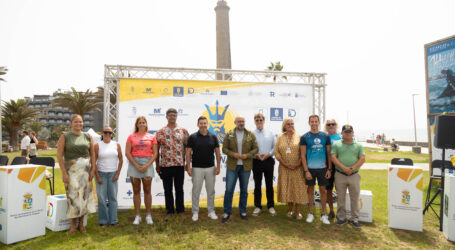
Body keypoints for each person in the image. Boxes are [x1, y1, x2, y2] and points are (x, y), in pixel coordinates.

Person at [56, 114, 96, 233]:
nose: (79, 124)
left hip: (85, 170)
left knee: (84, 196)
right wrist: (64, 172)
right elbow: (59, 155)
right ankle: (73, 224)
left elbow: (92, 154)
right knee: (73, 197)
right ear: (71, 123)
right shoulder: (65, 136)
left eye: (81, 122)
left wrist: (93, 169)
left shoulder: (88, 136)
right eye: (76, 122)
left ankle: (81, 224)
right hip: (71, 170)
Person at [221, 116, 258, 222]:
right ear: (235, 122)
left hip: (245, 166)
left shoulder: (250, 134)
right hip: (232, 166)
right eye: (239, 121)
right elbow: (224, 148)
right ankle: (227, 212)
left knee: (244, 190)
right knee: (229, 190)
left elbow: (256, 148)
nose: (241, 123)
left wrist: (248, 155)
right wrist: (233, 154)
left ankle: (243, 211)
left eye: (243, 121)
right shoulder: (229, 134)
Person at [156, 108, 189, 221]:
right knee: (167, 190)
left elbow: (188, 149)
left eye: (174, 115)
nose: (172, 116)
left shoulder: (183, 131)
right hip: (165, 165)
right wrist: (157, 165)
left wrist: (188, 164)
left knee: (179, 189)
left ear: (176, 116)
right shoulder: (160, 132)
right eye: (170, 115)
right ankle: (169, 211)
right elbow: (157, 150)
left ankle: (180, 211)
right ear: (166, 116)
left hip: (179, 165)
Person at [186, 116, 221, 222]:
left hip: (210, 168)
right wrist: (188, 167)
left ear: (207, 124)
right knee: (196, 191)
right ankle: (195, 212)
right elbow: (188, 153)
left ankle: (211, 211)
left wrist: (218, 166)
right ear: (198, 124)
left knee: (210, 191)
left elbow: (218, 153)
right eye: (201, 123)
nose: (203, 125)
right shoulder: (192, 137)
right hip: (197, 168)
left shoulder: (213, 136)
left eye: (205, 123)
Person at [331, 125, 365, 228]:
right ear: (342, 133)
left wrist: (352, 168)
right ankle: (341, 218)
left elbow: (362, 159)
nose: (348, 133)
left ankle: (354, 219)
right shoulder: (337, 144)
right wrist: (344, 168)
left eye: (350, 132)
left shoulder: (358, 145)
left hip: (354, 175)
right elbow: (333, 157)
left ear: (353, 133)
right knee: (340, 198)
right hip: (340, 174)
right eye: (346, 132)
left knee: (355, 198)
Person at [125, 116, 158, 225]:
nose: (142, 124)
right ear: (137, 124)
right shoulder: (131, 136)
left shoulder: (151, 137)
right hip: (134, 163)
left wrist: (147, 165)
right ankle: (137, 216)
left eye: (144, 122)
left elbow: (155, 153)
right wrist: (137, 165)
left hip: (147, 163)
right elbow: (127, 153)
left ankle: (148, 215)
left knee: (147, 190)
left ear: (146, 124)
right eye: (140, 122)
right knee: (136, 191)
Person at [300, 114, 332, 225]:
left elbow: (329, 154)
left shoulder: (325, 136)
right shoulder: (304, 137)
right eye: (312, 121)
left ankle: (324, 214)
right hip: (310, 169)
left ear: (319, 122)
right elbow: (303, 155)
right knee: (310, 191)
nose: (314, 123)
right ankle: (310, 213)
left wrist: (329, 169)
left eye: (316, 121)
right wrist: (306, 171)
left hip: (323, 169)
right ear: (309, 123)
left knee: (323, 191)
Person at [275, 118, 308, 219]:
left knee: (297, 189)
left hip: (297, 168)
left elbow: (304, 152)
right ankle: (290, 210)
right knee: (288, 189)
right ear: (284, 126)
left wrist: (298, 164)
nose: (290, 125)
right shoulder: (280, 137)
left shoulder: (299, 137)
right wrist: (285, 163)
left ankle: (298, 212)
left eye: (292, 124)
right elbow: (276, 152)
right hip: (284, 168)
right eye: (288, 124)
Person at [95, 126, 123, 227]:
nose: (107, 134)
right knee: (101, 198)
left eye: (110, 133)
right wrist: (97, 176)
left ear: (112, 134)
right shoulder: (97, 145)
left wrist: (117, 174)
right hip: (101, 174)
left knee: (113, 198)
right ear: (102, 134)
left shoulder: (117, 145)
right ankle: (103, 220)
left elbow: (121, 159)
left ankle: (113, 220)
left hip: (113, 174)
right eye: (105, 132)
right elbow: (93, 162)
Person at [252, 113, 276, 216]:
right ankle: (258, 206)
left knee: (269, 185)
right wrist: (256, 155)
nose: (259, 122)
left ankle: (270, 206)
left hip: (268, 160)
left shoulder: (270, 133)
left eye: (261, 120)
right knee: (257, 185)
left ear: (264, 121)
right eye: (257, 120)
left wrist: (268, 154)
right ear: (254, 122)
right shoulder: (251, 134)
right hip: (256, 161)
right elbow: (249, 149)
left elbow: (274, 148)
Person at [323, 119, 342, 219]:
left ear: (336, 125)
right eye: (328, 124)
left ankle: (341, 212)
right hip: (327, 167)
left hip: (340, 167)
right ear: (326, 126)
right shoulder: (323, 137)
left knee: (340, 190)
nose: (331, 126)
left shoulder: (341, 137)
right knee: (328, 190)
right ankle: (331, 211)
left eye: (333, 124)